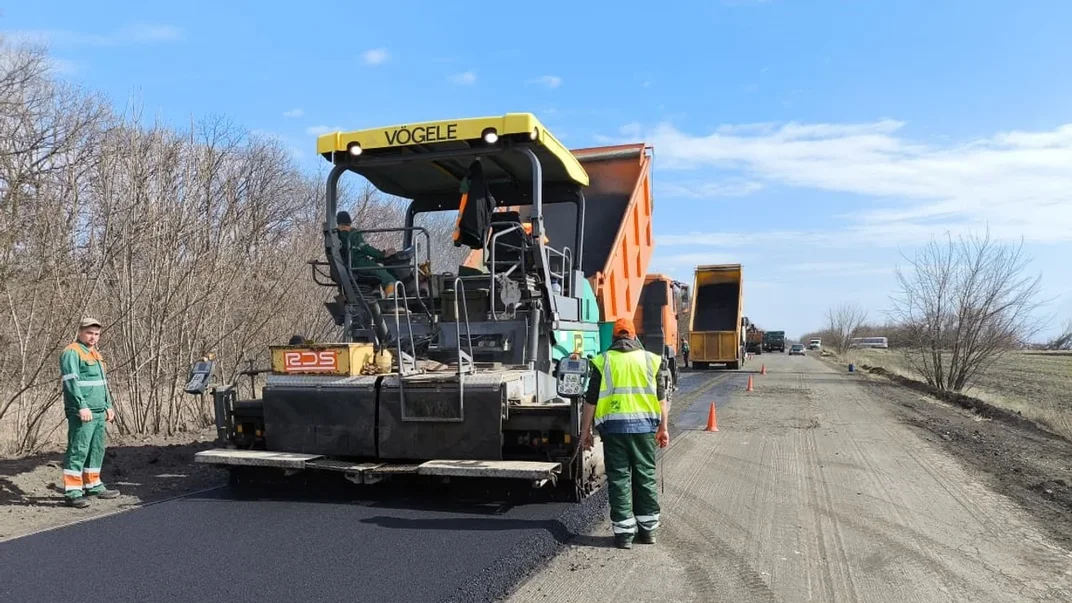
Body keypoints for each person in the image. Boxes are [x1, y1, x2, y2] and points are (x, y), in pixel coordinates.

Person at [580, 318, 670, 549]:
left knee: (619, 479)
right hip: (644, 430)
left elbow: (591, 401)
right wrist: (663, 428)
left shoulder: (603, 361)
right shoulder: (651, 360)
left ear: (614, 339)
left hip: (613, 431)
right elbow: (662, 399)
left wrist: (585, 432)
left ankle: (624, 535)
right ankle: (648, 531)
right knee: (645, 476)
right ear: (633, 336)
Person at [60, 318, 120, 508]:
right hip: (83, 412)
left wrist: (108, 406)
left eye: (96, 334)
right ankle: (73, 492)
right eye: (89, 333)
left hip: (99, 411)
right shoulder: (72, 352)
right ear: (80, 332)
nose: (93, 337)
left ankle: (93, 484)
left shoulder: (95, 353)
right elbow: (71, 382)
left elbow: (103, 383)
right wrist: (81, 406)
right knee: (79, 449)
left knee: (96, 449)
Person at [335, 211, 397, 295]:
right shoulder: (352, 233)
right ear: (349, 221)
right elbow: (364, 248)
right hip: (359, 265)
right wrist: (382, 254)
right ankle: (392, 301)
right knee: (388, 278)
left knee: (377, 264)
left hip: (345, 266)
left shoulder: (335, 234)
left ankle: (376, 291)